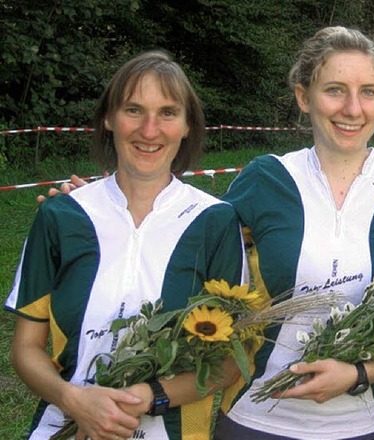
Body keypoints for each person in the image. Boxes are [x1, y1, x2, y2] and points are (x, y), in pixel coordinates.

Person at [212, 26, 374, 439]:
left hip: (358, 426)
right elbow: (179, 239)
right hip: (255, 419)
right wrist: (105, 204)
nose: (353, 108)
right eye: (335, 90)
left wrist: (357, 374)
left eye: (369, 92)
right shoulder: (266, 178)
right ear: (304, 97)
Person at [6, 51, 244, 440]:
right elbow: (25, 348)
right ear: (108, 118)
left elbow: (226, 362)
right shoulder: (61, 216)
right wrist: (73, 400)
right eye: (134, 110)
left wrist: (148, 397)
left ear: (187, 126)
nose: (149, 130)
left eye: (167, 113)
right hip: (64, 427)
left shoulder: (215, 221)